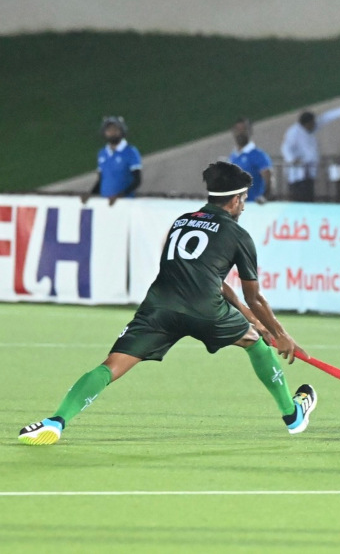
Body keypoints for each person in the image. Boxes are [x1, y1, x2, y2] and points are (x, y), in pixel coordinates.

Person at [20, 162, 314, 446]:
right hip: (205, 310)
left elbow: (211, 278)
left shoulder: (182, 221)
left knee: (110, 367)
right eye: (244, 200)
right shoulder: (238, 235)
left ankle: (55, 422)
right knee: (255, 344)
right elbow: (255, 296)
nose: (245, 206)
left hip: (160, 307)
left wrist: (253, 319)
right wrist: (279, 334)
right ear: (235, 200)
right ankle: (292, 414)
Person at [280, 104, 340, 202]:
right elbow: (285, 147)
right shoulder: (294, 132)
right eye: (312, 123)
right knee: (300, 200)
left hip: (308, 174)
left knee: (309, 198)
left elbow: (324, 119)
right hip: (298, 176)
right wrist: (292, 159)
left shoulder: (310, 128)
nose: (315, 125)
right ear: (307, 123)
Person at [84, 116, 142, 206]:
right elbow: (101, 180)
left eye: (115, 129)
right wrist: (90, 195)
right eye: (108, 130)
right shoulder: (102, 153)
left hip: (125, 204)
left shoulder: (131, 151)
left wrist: (120, 196)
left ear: (121, 131)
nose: (112, 132)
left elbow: (137, 180)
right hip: (106, 204)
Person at [229, 117, 273, 204]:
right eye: (237, 130)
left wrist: (264, 197)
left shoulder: (259, 155)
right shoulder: (233, 156)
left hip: (253, 207)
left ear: (250, 131)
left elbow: (269, 179)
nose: (240, 133)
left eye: (243, 130)